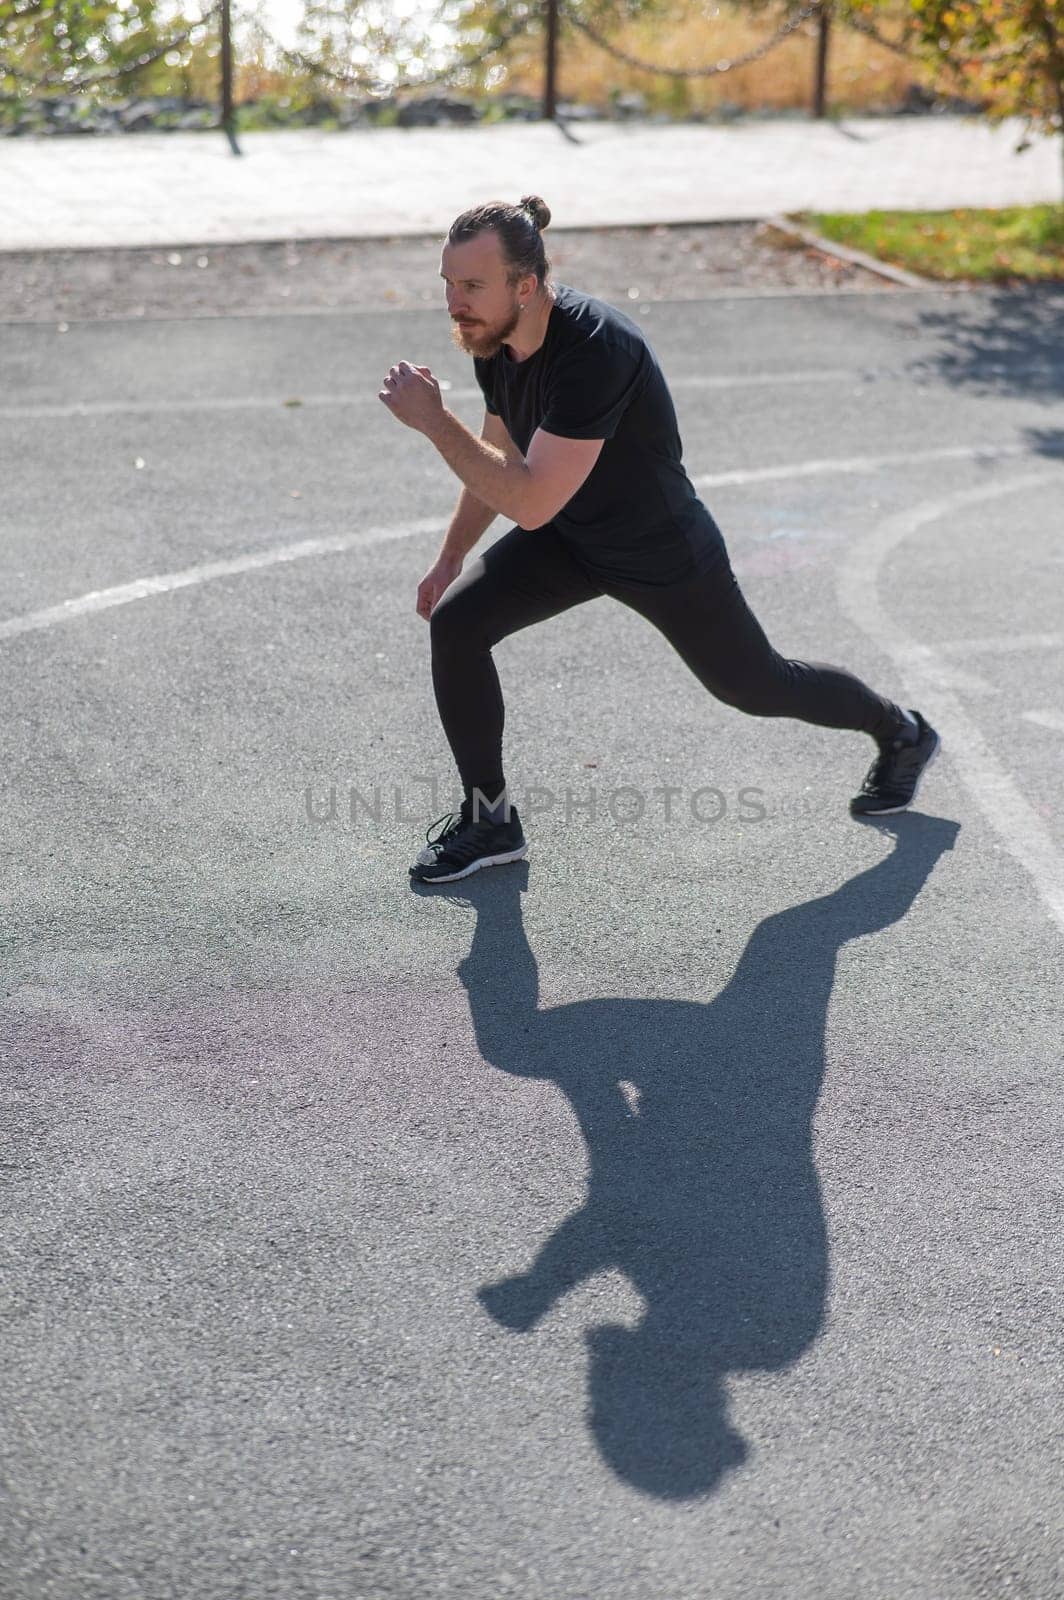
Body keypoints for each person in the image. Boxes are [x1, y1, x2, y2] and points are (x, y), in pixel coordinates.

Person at [378, 195, 940, 886]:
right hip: (572, 537)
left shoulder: (596, 350)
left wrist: (434, 422)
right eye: (448, 283)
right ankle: (490, 819)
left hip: (659, 549)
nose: (453, 303)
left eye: (470, 286)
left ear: (525, 286)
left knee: (758, 685)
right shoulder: (495, 338)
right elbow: (500, 452)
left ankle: (900, 731)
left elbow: (527, 498)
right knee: (458, 622)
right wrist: (452, 554)